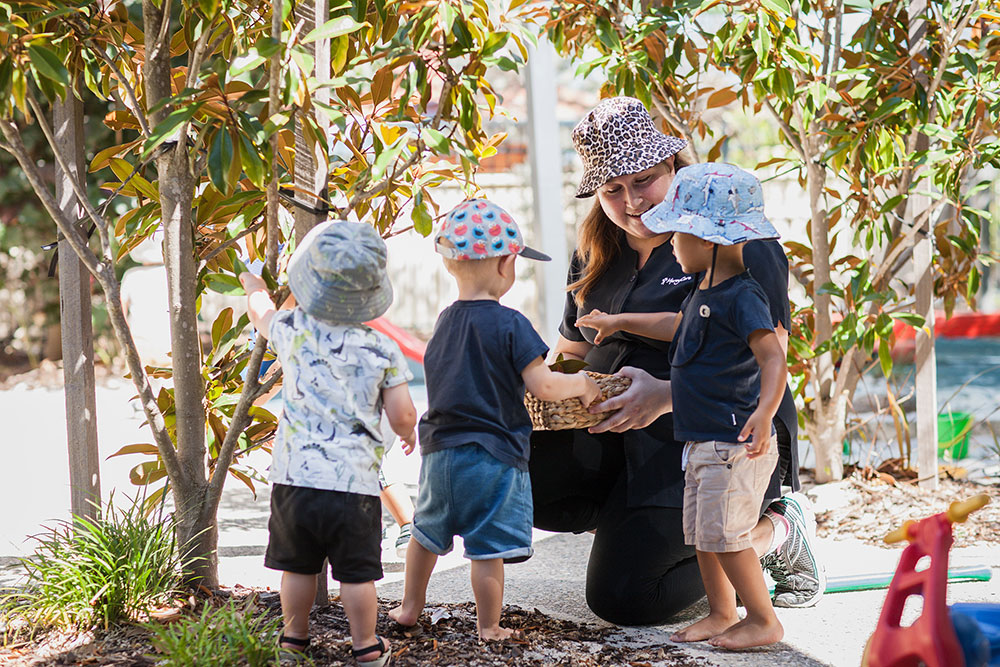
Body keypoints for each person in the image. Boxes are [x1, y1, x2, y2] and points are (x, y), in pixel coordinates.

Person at [529, 96, 824, 627]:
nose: (630, 201)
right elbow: (570, 352)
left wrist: (665, 396)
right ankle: (635, 523)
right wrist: (537, 389)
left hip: (713, 434)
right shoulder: (597, 250)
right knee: (508, 475)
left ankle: (771, 532)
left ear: (672, 165)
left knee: (628, 599)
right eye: (612, 189)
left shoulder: (735, 242)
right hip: (611, 432)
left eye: (642, 180)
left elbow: (769, 356)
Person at [389, 199, 601, 641]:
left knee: (426, 535)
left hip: (440, 456)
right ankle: (489, 626)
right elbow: (543, 386)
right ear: (508, 265)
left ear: (449, 265)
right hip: (493, 458)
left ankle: (409, 608)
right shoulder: (512, 324)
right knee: (486, 551)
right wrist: (582, 386)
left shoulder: (444, 322)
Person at [240, 221, 417, 667]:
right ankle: (366, 646)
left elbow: (260, 311)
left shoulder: (293, 329)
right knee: (358, 575)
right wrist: (408, 431)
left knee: (297, 568)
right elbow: (401, 413)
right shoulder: (382, 349)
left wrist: (253, 282)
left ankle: (293, 639)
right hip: (356, 486)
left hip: (295, 482)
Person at [625, 163, 786, 648]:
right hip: (701, 439)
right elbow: (676, 326)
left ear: (710, 241)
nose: (672, 245)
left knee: (729, 537)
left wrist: (763, 412)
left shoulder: (743, 296)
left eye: (679, 234)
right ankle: (721, 612)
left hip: (732, 440)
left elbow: (772, 357)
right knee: (702, 534)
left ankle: (763, 619)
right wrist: (619, 321)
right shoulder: (704, 291)